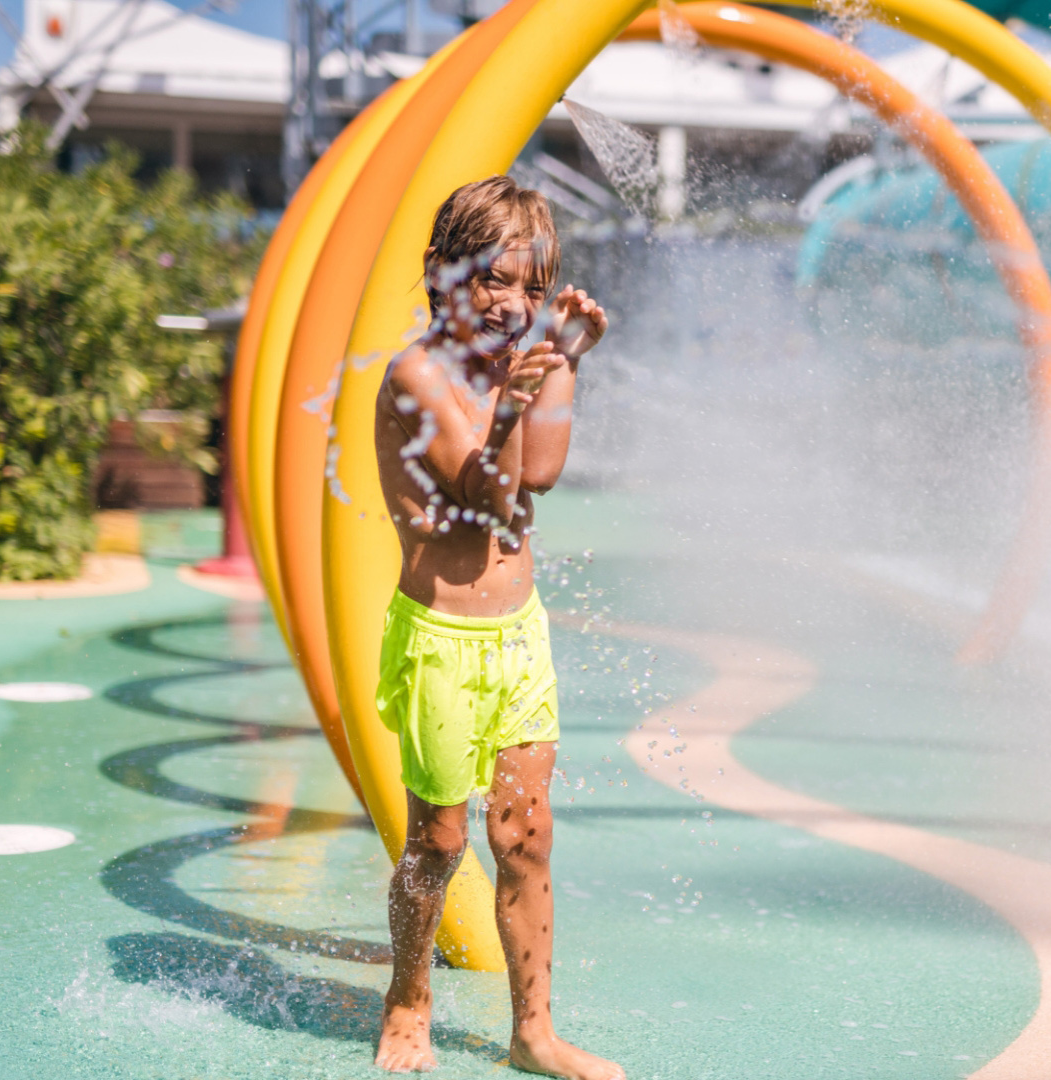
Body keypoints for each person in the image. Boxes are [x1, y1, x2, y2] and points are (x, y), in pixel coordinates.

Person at [370, 175, 616, 1078]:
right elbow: (483, 490)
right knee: (438, 840)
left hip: (518, 633)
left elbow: (539, 474)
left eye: (532, 287)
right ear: (440, 273)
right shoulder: (415, 375)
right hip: (440, 639)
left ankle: (533, 1032)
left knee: (525, 835)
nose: (514, 303)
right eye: (493, 280)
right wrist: (515, 398)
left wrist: (566, 367)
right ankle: (408, 995)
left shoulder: (518, 364)